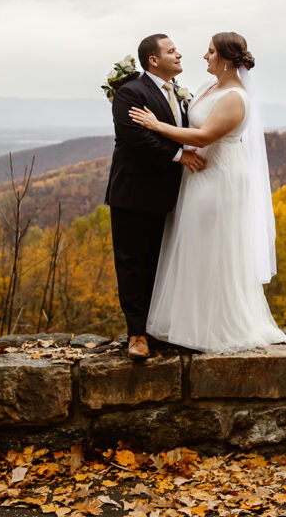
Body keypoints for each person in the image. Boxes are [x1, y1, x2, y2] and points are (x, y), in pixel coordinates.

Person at [129, 31, 286, 353]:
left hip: (220, 177)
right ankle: (188, 322)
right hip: (198, 175)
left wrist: (155, 125)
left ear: (227, 59)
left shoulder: (234, 97)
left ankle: (215, 327)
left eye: (211, 51)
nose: (204, 56)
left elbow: (203, 137)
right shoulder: (208, 88)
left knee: (214, 248)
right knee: (193, 245)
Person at [105, 33, 206, 360]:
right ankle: (137, 335)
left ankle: (159, 328)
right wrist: (180, 156)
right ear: (153, 60)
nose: (179, 55)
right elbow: (133, 137)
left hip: (171, 196)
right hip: (134, 193)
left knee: (161, 266)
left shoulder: (178, 93)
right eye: (171, 51)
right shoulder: (131, 92)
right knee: (133, 264)